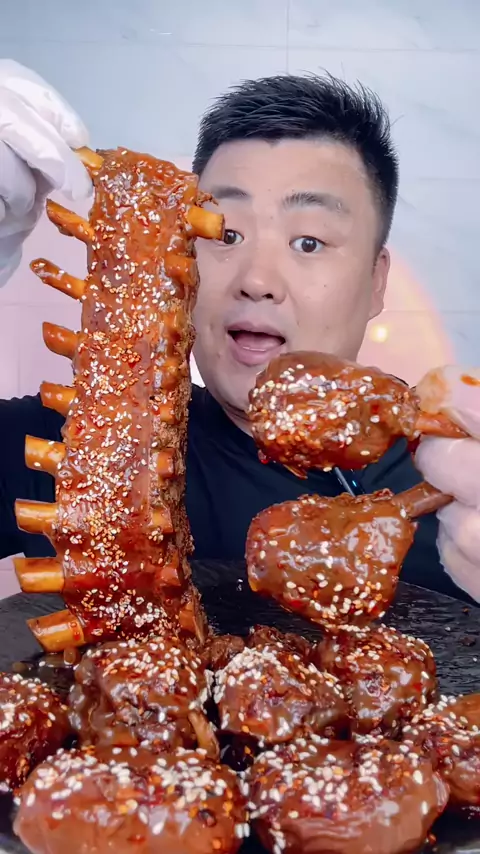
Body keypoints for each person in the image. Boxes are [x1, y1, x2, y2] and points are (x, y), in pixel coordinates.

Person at [0, 60, 479, 605]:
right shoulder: (77, 447)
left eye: (309, 242)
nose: (257, 280)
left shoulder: (458, 481)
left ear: (376, 282)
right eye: (225, 234)